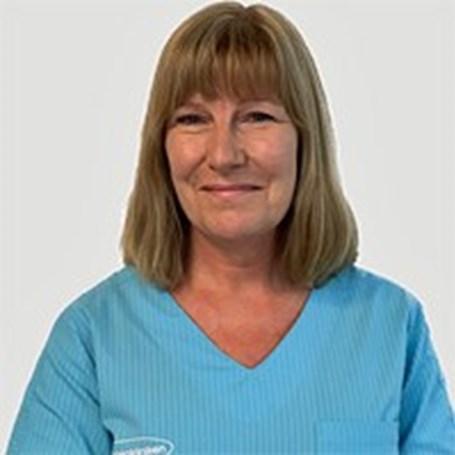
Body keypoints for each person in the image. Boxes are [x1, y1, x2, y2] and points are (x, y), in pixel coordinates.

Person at [8, 2, 455, 454]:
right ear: (160, 148)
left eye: (257, 116)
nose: (224, 155)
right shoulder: (94, 335)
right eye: (193, 119)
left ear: (305, 140)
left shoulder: (389, 326)